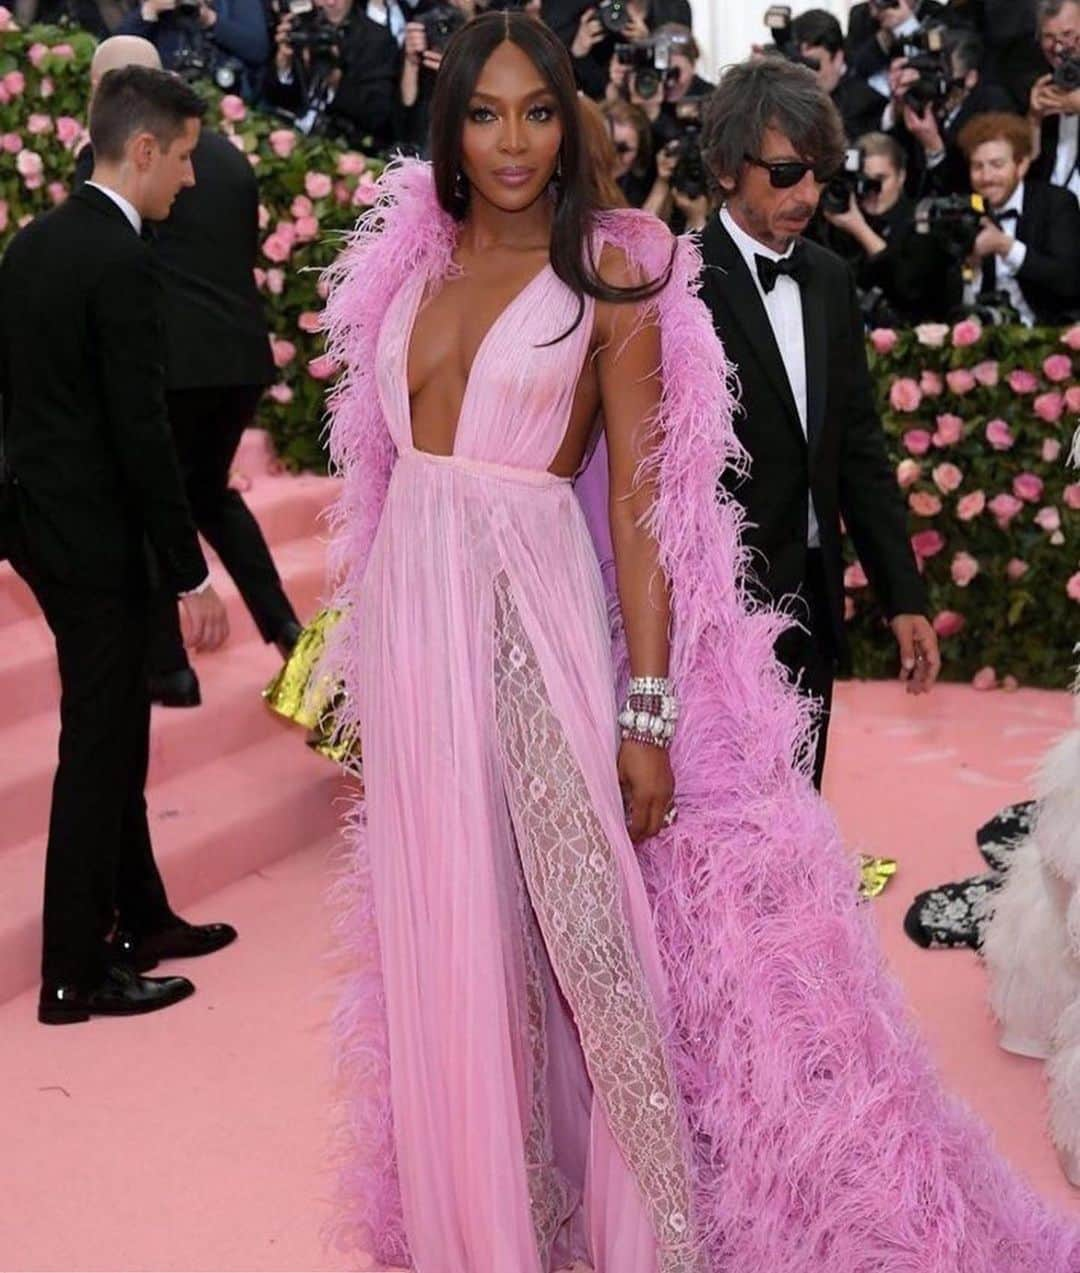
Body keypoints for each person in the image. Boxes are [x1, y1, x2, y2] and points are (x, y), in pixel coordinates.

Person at [320, 15, 1080, 1273]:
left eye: (540, 110)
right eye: (487, 113)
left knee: (589, 941)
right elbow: (390, 487)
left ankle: (646, 1237)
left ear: (574, 122)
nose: (514, 140)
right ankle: (487, 1236)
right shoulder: (409, 274)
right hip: (416, 646)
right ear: (448, 128)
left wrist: (649, 710)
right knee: (449, 949)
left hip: (539, 631)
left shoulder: (612, 276)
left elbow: (642, 512)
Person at [0, 67, 236, 1026]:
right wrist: (189, 569)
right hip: (96, 539)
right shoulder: (120, 259)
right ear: (143, 149)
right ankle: (73, 972)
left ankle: (141, 918)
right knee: (99, 747)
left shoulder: (31, 244)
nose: (189, 179)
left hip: (41, 527)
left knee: (114, 730)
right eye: (183, 158)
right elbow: (140, 428)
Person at [697, 57, 939, 791]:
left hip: (812, 598)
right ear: (724, 168)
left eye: (819, 176)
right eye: (784, 173)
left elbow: (859, 449)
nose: (807, 195)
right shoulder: (680, 283)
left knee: (800, 808)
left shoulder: (830, 279)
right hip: (717, 612)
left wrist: (904, 597)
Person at [76, 37, 301, 708]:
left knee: (148, 496)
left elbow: (104, 264)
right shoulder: (230, 157)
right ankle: (286, 625)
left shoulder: (114, 158)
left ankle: (168, 665)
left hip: (170, 364)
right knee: (209, 494)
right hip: (238, 360)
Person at [949, 111, 1080, 325]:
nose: (986, 177)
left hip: (1050, 337)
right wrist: (970, 271)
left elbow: (1069, 280)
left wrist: (1006, 247)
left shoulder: (1055, 204)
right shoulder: (965, 212)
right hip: (984, 340)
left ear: (1022, 165)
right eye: (977, 166)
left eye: (997, 165)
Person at [823, 130, 950, 322]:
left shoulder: (921, 219)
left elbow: (910, 288)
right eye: (864, 179)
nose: (871, 189)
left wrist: (860, 230)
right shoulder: (838, 219)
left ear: (901, 177)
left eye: (880, 179)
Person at [888, 28, 1016, 199]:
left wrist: (934, 148)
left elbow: (977, 183)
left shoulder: (992, 106)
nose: (936, 82)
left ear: (970, 78)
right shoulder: (924, 98)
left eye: (943, 74)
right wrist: (897, 106)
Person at [265, 0, 403, 147]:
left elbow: (377, 114)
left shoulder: (378, 40)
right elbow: (273, 97)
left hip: (343, 144)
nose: (331, 2)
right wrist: (283, 66)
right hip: (287, 133)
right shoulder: (299, 26)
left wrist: (336, 82)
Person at [117, 0, 270, 100]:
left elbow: (258, 49)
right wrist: (149, 11)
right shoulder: (153, 10)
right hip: (163, 105)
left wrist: (209, 19)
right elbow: (116, 59)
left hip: (224, 101)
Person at [791, 8, 887, 141]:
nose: (807, 74)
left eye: (813, 65)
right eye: (800, 64)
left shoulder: (867, 102)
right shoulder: (791, 92)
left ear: (837, 58)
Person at [1028, 0, 1080, 200]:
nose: (1058, 48)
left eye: (1067, 35)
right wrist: (1033, 120)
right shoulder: (1040, 83)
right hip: (1053, 212)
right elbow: (1026, 166)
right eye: (1048, 37)